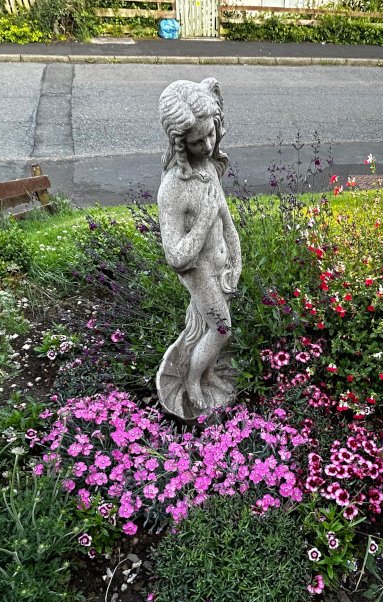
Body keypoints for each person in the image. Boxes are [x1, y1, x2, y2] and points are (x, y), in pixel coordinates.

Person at [155, 78, 242, 421]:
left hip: (221, 268)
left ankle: (206, 373)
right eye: (196, 142)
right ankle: (192, 383)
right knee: (222, 330)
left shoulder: (207, 168)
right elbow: (176, 257)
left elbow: (226, 219)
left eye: (211, 135)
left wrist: (236, 258)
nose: (207, 146)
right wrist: (203, 218)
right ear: (179, 143)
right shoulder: (173, 189)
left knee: (211, 330)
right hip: (200, 274)